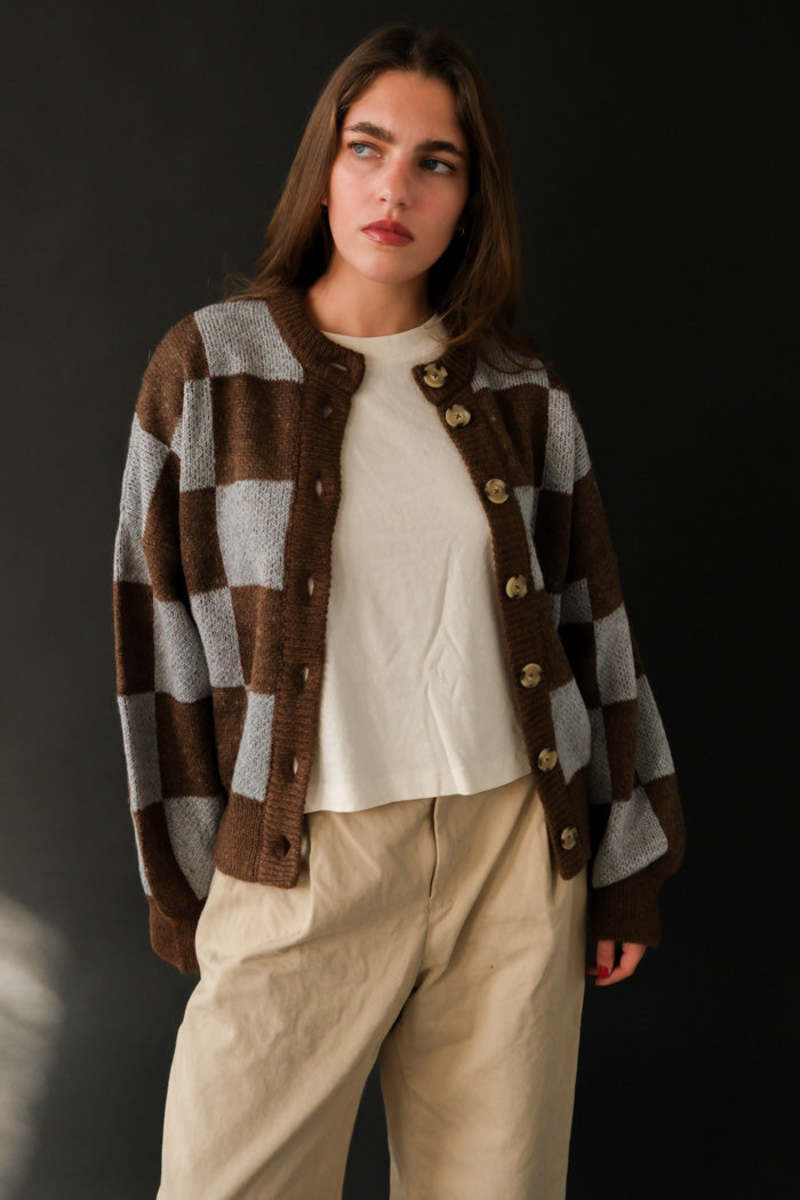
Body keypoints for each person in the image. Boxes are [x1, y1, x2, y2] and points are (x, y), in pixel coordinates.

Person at [112, 22, 686, 1200]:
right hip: (298, 863)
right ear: (322, 166)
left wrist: (625, 863)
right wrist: (191, 887)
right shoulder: (211, 370)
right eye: (366, 147)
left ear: (470, 200)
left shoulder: (518, 392)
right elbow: (156, 639)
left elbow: (595, 631)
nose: (393, 189)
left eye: (436, 162)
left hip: (509, 860)